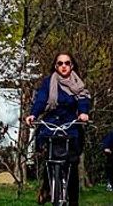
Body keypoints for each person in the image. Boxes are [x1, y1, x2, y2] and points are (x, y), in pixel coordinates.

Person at [25, 53, 91, 204]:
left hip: (70, 124)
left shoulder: (78, 84)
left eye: (67, 63)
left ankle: (73, 201)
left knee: (72, 164)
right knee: (49, 157)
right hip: (51, 124)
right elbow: (41, 99)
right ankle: (47, 187)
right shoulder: (49, 82)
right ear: (55, 66)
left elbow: (83, 99)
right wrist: (33, 115)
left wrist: (83, 113)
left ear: (72, 65)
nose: (63, 66)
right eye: (60, 63)